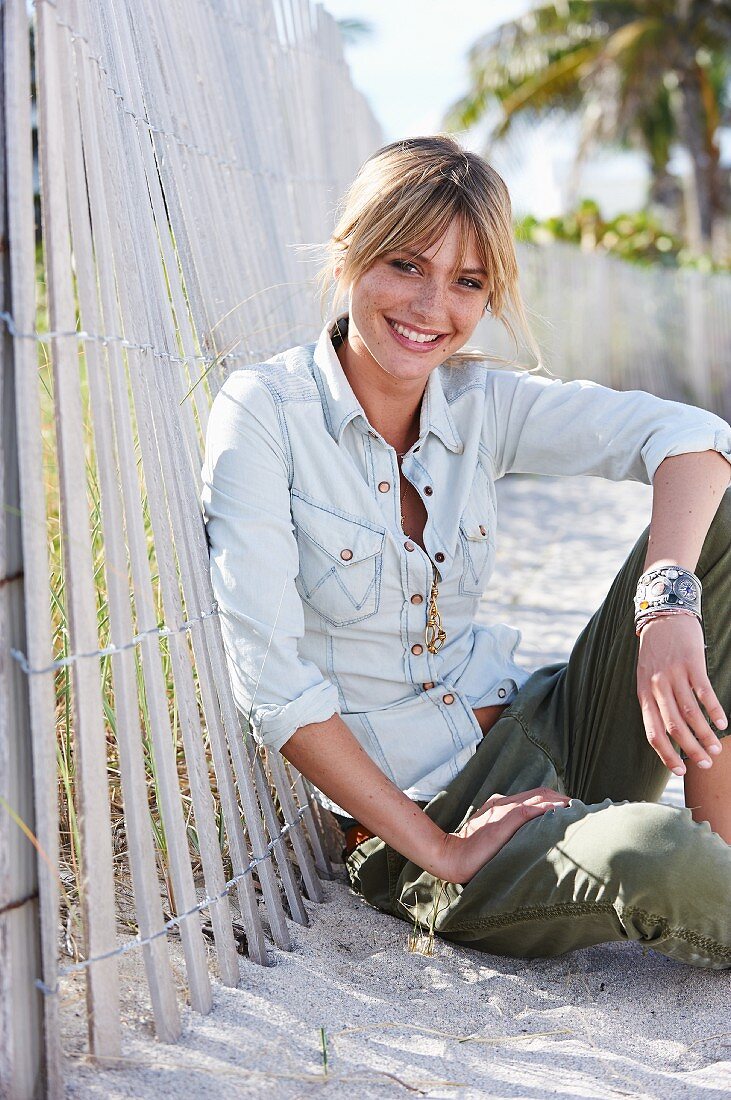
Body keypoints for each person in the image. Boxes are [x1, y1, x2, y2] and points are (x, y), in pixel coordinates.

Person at [201, 135, 731, 969]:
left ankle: (720, 861)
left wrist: (666, 601)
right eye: (406, 265)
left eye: (467, 282)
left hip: (548, 729)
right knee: (657, 859)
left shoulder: (478, 400)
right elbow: (273, 684)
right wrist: (440, 852)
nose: (429, 306)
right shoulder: (265, 414)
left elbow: (693, 437)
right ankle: (706, 877)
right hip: (424, 818)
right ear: (350, 255)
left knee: (721, 512)